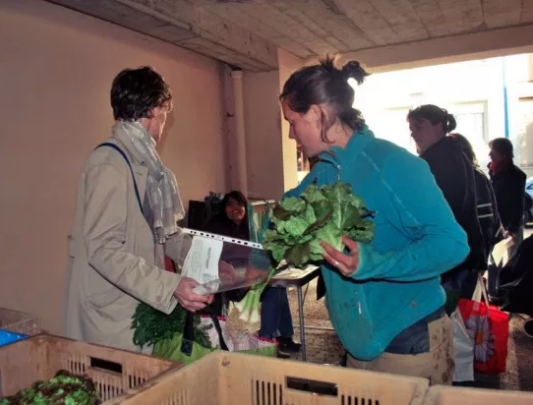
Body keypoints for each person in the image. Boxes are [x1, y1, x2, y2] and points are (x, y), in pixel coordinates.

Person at [280, 57, 469, 384]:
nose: (289, 133)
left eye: (292, 121)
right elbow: (285, 216)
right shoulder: (326, 170)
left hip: (409, 338)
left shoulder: (392, 164)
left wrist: (372, 263)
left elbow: (452, 245)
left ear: (316, 113)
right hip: (359, 341)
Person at [64, 67, 213, 352]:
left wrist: (210, 256)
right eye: (164, 111)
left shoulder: (143, 163)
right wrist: (171, 286)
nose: (165, 121)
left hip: (135, 306)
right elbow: (103, 250)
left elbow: (164, 235)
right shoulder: (109, 164)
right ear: (152, 111)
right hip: (110, 314)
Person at [204, 191, 301, 357]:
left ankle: (284, 338)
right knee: (271, 290)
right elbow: (225, 256)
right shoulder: (217, 226)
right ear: (223, 209)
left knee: (278, 287)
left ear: (245, 207)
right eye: (230, 205)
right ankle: (265, 341)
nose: (235, 208)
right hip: (227, 282)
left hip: (247, 275)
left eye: (239, 204)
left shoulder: (249, 226)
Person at [407, 106, 485, 313]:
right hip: (461, 252)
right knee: (456, 323)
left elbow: (434, 212)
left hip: (447, 258)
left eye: (419, 126)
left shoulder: (437, 160)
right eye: (411, 127)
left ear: (438, 126)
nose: (413, 132)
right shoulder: (454, 152)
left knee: (443, 324)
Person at [488, 138, 527, 258]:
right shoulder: (494, 172)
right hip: (496, 226)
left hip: (509, 227)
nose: (489, 154)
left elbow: (518, 204)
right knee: (495, 261)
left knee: (512, 261)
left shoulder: (515, 175)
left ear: (503, 154)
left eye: (492, 151)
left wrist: (513, 228)